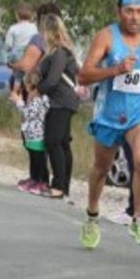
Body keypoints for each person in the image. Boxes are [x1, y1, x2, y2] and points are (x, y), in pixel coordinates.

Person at [78, 0, 140, 248]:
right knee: (101, 169)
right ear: (119, 12)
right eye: (129, 11)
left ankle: (139, 219)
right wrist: (115, 69)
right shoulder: (106, 37)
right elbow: (84, 75)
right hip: (109, 114)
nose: (134, 17)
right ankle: (92, 215)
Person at [36, 13, 80, 199]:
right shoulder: (61, 52)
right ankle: (64, 186)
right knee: (62, 143)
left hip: (61, 101)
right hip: (65, 100)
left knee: (53, 141)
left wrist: (39, 89)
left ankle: (59, 185)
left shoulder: (59, 53)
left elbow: (53, 80)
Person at [16, 69, 50, 194]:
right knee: (33, 158)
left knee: (39, 159)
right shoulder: (34, 98)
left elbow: (29, 113)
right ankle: (34, 178)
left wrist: (18, 103)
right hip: (31, 134)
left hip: (38, 134)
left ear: (30, 85)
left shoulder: (38, 99)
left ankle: (43, 181)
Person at [6, 2, 38, 97]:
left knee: (17, 75)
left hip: (17, 54)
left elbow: (8, 45)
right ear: (31, 16)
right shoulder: (34, 27)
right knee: (26, 75)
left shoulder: (13, 28)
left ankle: (15, 92)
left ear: (17, 15)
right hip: (30, 53)